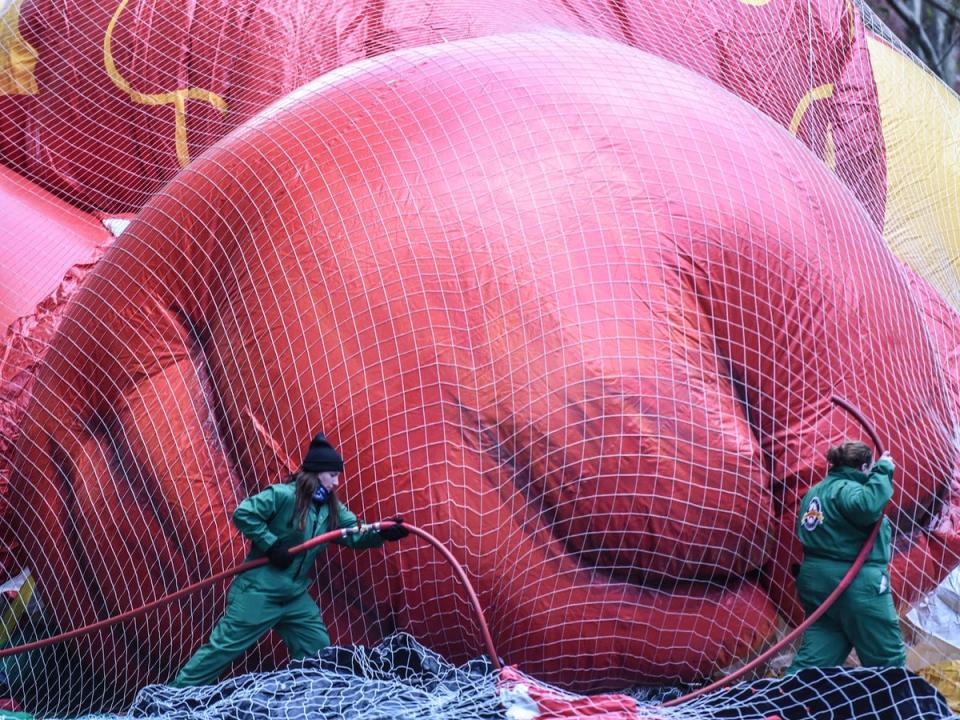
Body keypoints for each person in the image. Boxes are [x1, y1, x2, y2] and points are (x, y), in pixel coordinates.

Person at [172, 432, 409, 687]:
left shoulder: (331, 509)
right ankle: (170, 700)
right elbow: (244, 513)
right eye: (333, 475)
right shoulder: (283, 495)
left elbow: (355, 534)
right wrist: (271, 544)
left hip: (294, 597)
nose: (337, 482)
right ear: (317, 473)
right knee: (222, 650)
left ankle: (313, 703)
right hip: (259, 592)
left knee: (319, 653)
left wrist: (383, 533)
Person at [786, 441, 906, 672]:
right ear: (863, 467)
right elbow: (867, 506)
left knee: (816, 659)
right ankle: (895, 703)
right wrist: (883, 471)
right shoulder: (849, 490)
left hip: (818, 583)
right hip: (854, 584)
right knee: (887, 659)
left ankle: (784, 702)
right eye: (870, 468)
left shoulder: (815, 492)